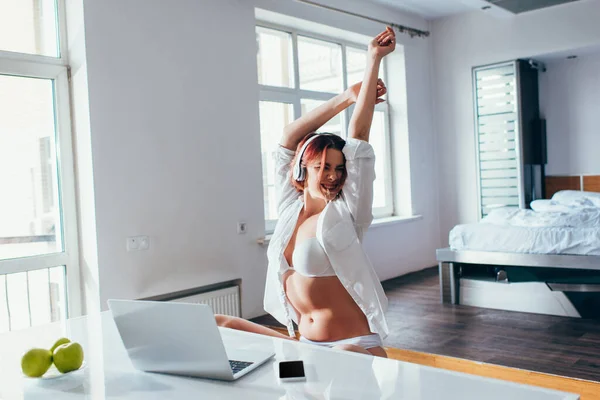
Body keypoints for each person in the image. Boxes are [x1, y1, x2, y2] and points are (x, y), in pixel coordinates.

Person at [217, 27, 396, 358]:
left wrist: (373, 60)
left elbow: (358, 135)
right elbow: (288, 138)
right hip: (306, 344)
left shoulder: (346, 211)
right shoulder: (289, 209)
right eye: (322, 167)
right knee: (220, 322)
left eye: (338, 168)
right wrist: (345, 97)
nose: (332, 175)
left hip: (352, 345)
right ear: (302, 170)